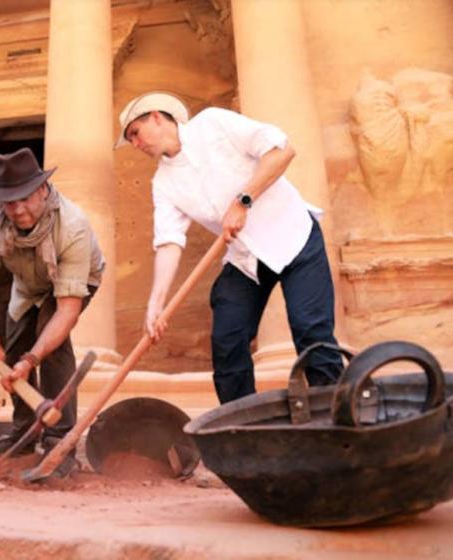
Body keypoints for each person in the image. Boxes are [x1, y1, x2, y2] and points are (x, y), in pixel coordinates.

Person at [116, 91, 342, 403]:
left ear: (156, 117)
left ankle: (337, 417)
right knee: (227, 339)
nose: (136, 144)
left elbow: (282, 150)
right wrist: (156, 303)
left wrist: (243, 200)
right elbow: (169, 241)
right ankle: (240, 429)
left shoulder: (213, 123)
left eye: (135, 134)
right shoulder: (164, 184)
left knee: (311, 331)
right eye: (131, 140)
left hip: (294, 238)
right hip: (246, 259)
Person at [0, 148, 105, 456]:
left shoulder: (73, 225)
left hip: (76, 281)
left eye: (25, 198)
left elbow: (66, 310)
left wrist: (32, 360)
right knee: (13, 345)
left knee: (51, 343)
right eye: (9, 201)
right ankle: (24, 431)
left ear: (43, 190)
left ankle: (60, 437)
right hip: (27, 282)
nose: (17, 210)